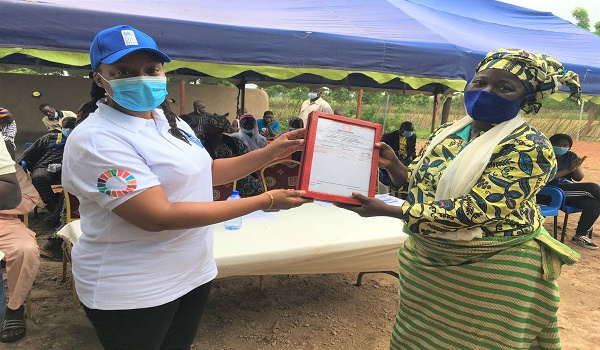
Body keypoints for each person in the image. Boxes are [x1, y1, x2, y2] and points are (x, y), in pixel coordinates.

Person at [61, 25, 310, 349]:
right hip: (133, 288)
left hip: (193, 271)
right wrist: (265, 201)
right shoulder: (95, 139)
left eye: (151, 69)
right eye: (123, 71)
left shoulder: (170, 121)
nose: (142, 78)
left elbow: (207, 171)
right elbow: (158, 216)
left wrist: (269, 152)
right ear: (99, 79)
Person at [339, 48, 582, 349]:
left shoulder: (530, 146)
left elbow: (476, 209)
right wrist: (396, 166)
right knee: (416, 339)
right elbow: (424, 183)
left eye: (504, 87)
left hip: (493, 267)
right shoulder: (449, 133)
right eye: (480, 82)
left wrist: (393, 211)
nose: (486, 92)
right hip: (428, 261)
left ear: (526, 100)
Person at [0, 166, 41, 343]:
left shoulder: (7, 166)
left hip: (5, 221)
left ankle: (15, 307)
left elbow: (30, 198)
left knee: (26, 249)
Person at [17, 117, 75, 224]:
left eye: (71, 128)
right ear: (62, 128)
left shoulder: (79, 139)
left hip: (68, 168)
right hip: (45, 165)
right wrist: (18, 164)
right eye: (66, 127)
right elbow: (30, 151)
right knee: (38, 177)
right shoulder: (50, 137)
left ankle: (55, 213)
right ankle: (53, 206)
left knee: (70, 184)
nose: (69, 130)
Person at [548, 133, 599, 249]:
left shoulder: (570, 156)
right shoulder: (545, 156)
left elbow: (579, 178)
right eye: (557, 144)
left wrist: (576, 167)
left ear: (569, 147)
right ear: (550, 144)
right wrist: (568, 170)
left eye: (565, 145)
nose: (561, 147)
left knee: (594, 203)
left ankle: (579, 236)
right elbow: (546, 178)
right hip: (551, 191)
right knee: (592, 188)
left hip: (568, 189)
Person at [200, 113, 264, 197]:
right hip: (210, 176)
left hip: (236, 175)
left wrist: (236, 161)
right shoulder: (200, 143)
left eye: (211, 128)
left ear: (220, 130)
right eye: (206, 128)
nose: (207, 131)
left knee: (255, 186)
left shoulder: (234, 142)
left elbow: (246, 158)